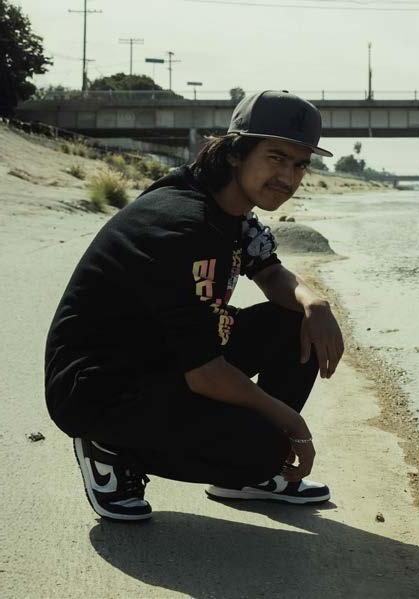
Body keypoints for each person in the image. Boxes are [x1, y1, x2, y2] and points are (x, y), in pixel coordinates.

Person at [44, 90, 344, 521]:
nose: (288, 176)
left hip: (161, 355)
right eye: (276, 158)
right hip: (99, 386)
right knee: (266, 447)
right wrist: (291, 426)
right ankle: (108, 448)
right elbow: (205, 374)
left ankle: (248, 476)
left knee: (295, 323)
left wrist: (315, 304)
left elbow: (270, 272)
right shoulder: (183, 224)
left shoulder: (226, 205)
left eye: (299, 164)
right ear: (236, 152)